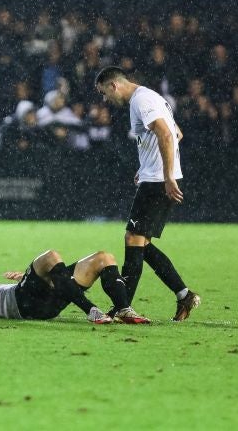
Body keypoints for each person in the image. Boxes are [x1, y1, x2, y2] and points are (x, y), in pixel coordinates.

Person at [94, 66, 201, 321]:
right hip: (153, 176)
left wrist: (166, 175)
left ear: (114, 86)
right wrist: (147, 166)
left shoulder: (141, 101)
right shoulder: (149, 97)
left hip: (157, 181)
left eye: (104, 93)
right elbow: (177, 133)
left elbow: (166, 133)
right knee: (141, 243)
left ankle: (123, 306)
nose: (104, 100)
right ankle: (183, 294)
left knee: (133, 239)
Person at [0, 249, 151, 324]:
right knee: (50, 256)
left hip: (45, 302)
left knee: (103, 258)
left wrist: (25, 278)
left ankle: (123, 309)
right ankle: (92, 310)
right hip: (25, 305)